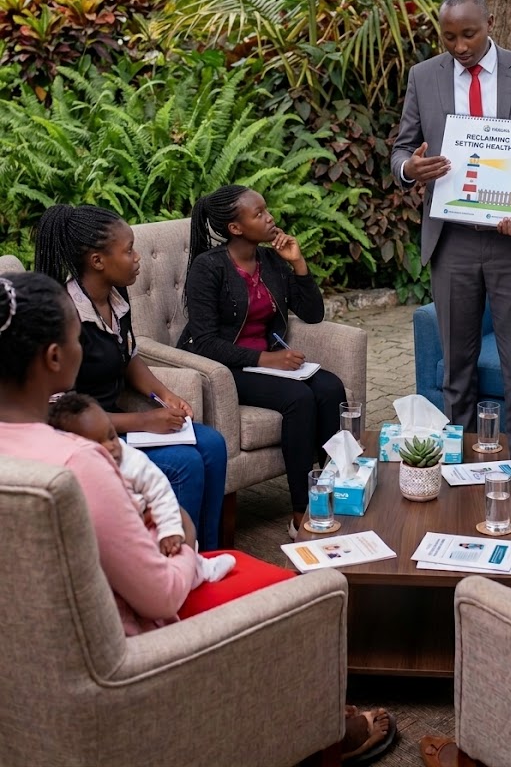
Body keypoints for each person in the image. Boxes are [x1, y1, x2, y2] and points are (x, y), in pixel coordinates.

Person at [0, 272, 397, 763]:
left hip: (32, 664)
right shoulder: (79, 462)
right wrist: (186, 540)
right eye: (74, 337)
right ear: (55, 358)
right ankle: (323, 736)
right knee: (312, 594)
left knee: (230, 560)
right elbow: (160, 593)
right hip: (129, 652)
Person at [391, 0, 511, 501]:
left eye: (468, 34)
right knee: (455, 370)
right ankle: (456, 474)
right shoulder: (424, 76)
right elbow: (401, 147)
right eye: (448, 37)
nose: (458, 46)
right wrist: (409, 168)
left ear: (491, 20)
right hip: (453, 242)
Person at [34, 203, 227, 550]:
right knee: (185, 464)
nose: (137, 257)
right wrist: (144, 420)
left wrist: (165, 395)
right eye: (128, 250)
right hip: (85, 436)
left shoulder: (115, 299)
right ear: (97, 261)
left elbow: (129, 357)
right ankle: (175, 558)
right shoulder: (64, 318)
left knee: (213, 444)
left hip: (116, 424)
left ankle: (208, 551)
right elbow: (57, 413)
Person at [178, 185, 347, 538]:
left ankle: (335, 491)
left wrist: (298, 263)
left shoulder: (270, 261)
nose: (270, 218)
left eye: (266, 211)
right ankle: (303, 510)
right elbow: (205, 342)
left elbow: (313, 314)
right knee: (298, 400)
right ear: (235, 228)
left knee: (331, 388)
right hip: (226, 368)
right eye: (258, 214)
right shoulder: (208, 268)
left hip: (266, 361)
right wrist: (266, 358)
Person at [49, 392, 236, 586]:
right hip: (118, 537)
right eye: (98, 444)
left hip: (145, 526)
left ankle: (201, 567)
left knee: (168, 546)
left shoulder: (129, 459)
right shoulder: (72, 472)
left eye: (111, 436)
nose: (111, 446)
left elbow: (160, 491)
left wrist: (170, 530)